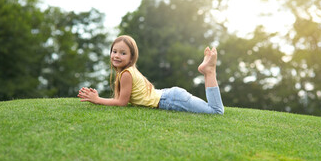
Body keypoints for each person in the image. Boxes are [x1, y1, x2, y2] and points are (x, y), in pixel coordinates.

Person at [77, 35, 224, 114]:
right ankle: (208, 71)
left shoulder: (126, 74)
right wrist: (98, 98)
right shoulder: (127, 72)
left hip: (172, 100)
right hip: (170, 96)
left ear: (131, 57)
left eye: (123, 53)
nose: (116, 56)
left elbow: (122, 103)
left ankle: (209, 71)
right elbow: (122, 100)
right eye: (114, 51)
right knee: (213, 109)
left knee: (216, 111)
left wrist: (97, 99)